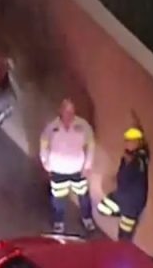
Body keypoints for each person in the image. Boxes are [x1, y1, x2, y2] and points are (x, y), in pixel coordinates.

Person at [39, 98, 97, 234]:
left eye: (71, 111)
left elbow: (91, 144)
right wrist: (45, 162)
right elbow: (44, 144)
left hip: (78, 170)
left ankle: (87, 218)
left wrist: (88, 165)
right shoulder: (52, 127)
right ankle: (59, 222)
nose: (69, 115)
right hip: (58, 170)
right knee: (58, 199)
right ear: (61, 111)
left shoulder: (82, 125)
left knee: (83, 196)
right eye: (66, 111)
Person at [96, 127, 150, 241]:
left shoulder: (139, 160)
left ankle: (124, 251)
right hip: (120, 197)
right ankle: (121, 213)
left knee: (124, 236)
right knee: (102, 208)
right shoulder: (128, 157)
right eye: (127, 140)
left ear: (138, 143)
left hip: (132, 205)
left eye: (131, 141)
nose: (127, 143)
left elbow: (130, 176)